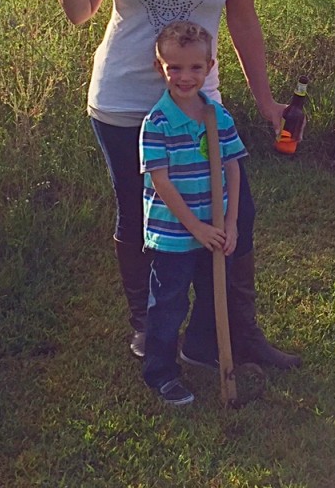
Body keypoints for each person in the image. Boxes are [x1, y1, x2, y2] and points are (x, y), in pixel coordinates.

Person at [45, 0, 300, 370]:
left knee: (236, 209)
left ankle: (228, 334)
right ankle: (148, 329)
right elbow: (81, 13)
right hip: (123, 101)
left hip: (198, 102)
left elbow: (243, 22)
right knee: (141, 217)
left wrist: (264, 99)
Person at [140, 21, 246, 405]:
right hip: (175, 234)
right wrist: (196, 228)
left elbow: (233, 167)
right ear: (160, 68)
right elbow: (162, 184)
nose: (185, 77)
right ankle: (161, 372)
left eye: (195, 68)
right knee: (169, 303)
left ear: (210, 66)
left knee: (212, 293)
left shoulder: (217, 116)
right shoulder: (157, 123)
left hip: (215, 229)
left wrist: (229, 224)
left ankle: (199, 348)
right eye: (175, 68)